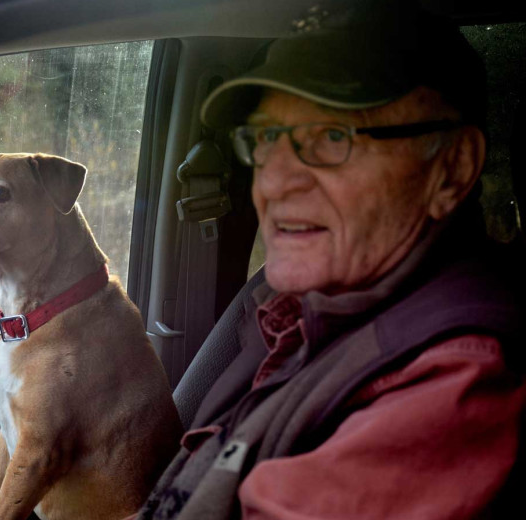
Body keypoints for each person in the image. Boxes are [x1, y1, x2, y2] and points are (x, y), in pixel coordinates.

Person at [136, 2, 526, 519]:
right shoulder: (294, 308)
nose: (274, 182)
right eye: (267, 138)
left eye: (333, 136)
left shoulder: (452, 385)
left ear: (452, 169)